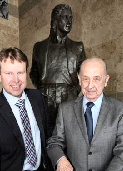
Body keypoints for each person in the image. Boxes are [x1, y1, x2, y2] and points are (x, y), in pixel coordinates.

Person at [47, 57, 123, 171]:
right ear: (79, 80)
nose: (90, 85)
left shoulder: (120, 111)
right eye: (85, 79)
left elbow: (122, 153)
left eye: (96, 79)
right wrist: (60, 159)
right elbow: (54, 142)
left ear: (106, 80)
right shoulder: (65, 109)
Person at [30, 4, 86, 137]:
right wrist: (41, 89)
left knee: (69, 139)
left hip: (68, 98)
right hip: (45, 99)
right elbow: (33, 72)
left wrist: (74, 91)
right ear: (56, 19)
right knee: (47, 139)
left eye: (71, 18)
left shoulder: (77, 47)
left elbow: (84, 74)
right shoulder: (39, 47)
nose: (69, 21)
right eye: (65, 17)